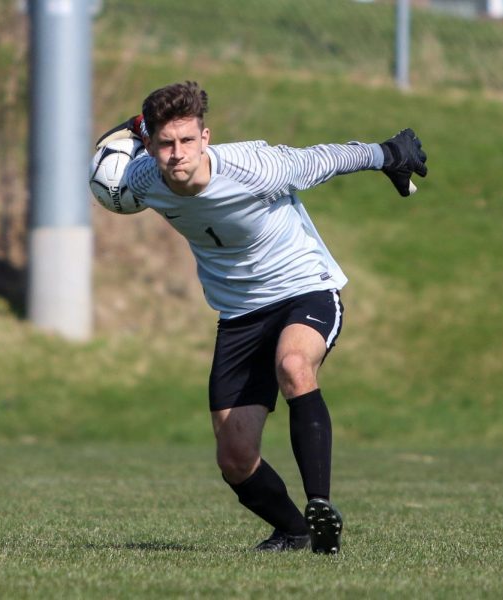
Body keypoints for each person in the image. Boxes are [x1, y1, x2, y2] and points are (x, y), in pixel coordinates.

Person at [95, 81, 427, 554]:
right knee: (234, 458)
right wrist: (127, 130)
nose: (177, 154)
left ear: (205, 138)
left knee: (294, 366)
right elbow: (106, 174)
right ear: (149, 145)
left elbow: (322, 159)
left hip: (303, 288)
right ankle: (296, 530)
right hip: (239, 314)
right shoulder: (142, 179)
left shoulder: (254, 167)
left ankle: (320, 505)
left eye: (188, 141)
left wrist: (388, 153)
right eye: (165, 143)